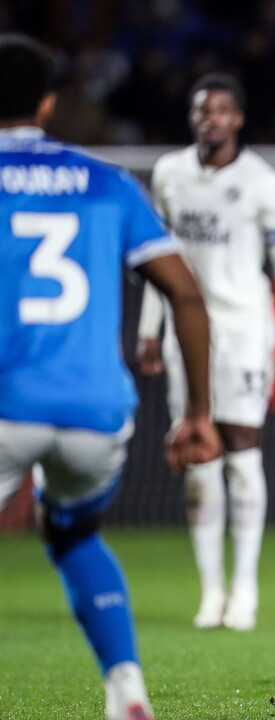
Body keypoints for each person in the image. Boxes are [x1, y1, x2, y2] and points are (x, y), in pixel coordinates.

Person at [0, 34, 220, 720]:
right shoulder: (107, 182)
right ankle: (125, 686)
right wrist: (198, 413)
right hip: (97, 414)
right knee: (72, 534)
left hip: (7, 405)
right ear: (46, 102)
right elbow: (185, 293)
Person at [137, 73, 275, 631]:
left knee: (242, 450)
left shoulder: (264, 182)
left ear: (238, 119)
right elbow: (155, 258)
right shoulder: (169, 174)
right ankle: (211, 591)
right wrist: (149, 327)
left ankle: (246, 587)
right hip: (186, 334)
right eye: (200, 109)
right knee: (198, 457)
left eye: (220, 110)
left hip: (243, 330)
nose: (209, 118)